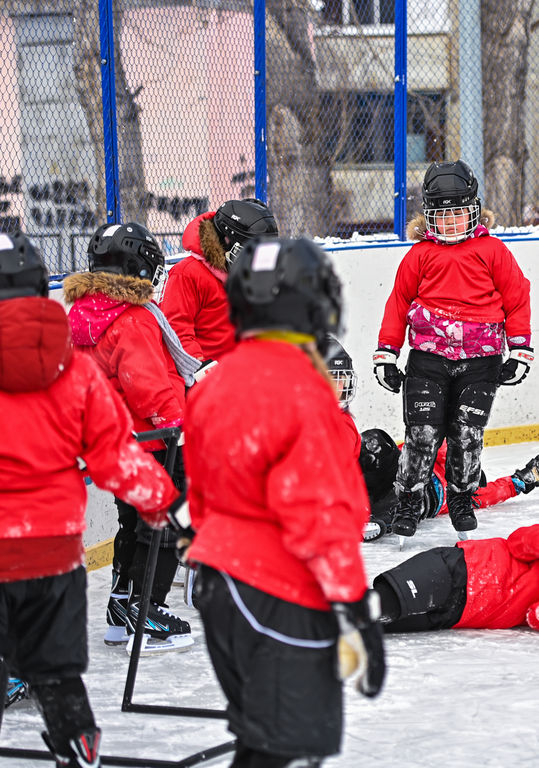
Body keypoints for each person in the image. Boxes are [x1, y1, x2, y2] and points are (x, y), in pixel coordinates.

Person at [183, 237, 385, 768]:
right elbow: (321, 514)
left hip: (218, 586)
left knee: (261, 740)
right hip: (279, 592)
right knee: (289, 749)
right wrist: (355, 608)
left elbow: (198, 495)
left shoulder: (212, 383)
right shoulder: (306, 393)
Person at [0, 231, 179, 766]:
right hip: (52, 551)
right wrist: (162, 504)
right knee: (56, 668)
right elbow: (115, 453)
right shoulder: (73, 372)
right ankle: (77, 740)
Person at [373, 160, 533, 540]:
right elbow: (398, 303)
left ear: (474, 210)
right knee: (422, 434)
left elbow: (516, 297)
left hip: (481, 361)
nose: (449, 223)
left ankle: (462, 497)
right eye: (440, 216)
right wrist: (386, 353)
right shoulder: (418, 256)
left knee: (466, 434)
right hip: (428, 359)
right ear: (428, 217)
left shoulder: (492, 251)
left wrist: (521, 350)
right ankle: (408, 501)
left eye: (457, 214)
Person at [63, 222, 200, 653]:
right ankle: (147, 611)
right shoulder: (133, 319)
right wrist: (177, 422)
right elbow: (145, 385)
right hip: (156, 439)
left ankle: (120, 606)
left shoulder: (82, 314)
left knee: (132, 522)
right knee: (164, 525)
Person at [375, 524, 539, 632]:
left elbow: (537, 619)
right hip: (456, 570)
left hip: (454, 616)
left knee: (377, 625)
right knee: (378, 606)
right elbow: (519, 541)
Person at [357, 427, 539, 541]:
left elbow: (497, 491)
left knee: (404, 503)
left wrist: (522, 480)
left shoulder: (464, 496)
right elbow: (435, 444)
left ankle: (372, 523)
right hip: (401, 472)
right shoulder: (445, 455)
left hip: (423, 495)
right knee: (373, 441)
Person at [160, 198, 278, 373]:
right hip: (206, 381)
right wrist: (202, 371)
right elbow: (176, 332)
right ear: (226, 241)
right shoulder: (187, 273)